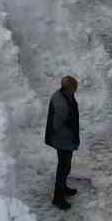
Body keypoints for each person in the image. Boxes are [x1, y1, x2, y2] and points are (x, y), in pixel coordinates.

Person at [44, 75, 80, 209]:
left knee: (66, 166)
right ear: (69, 88)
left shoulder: (65, 95)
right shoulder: (61, 103)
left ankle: (63, 187)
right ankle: (58, 198)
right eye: (74, 88)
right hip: (62, 141)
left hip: (66, 140)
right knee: (63, 167)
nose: (76, 90)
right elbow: (57, 126)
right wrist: (71, 135)